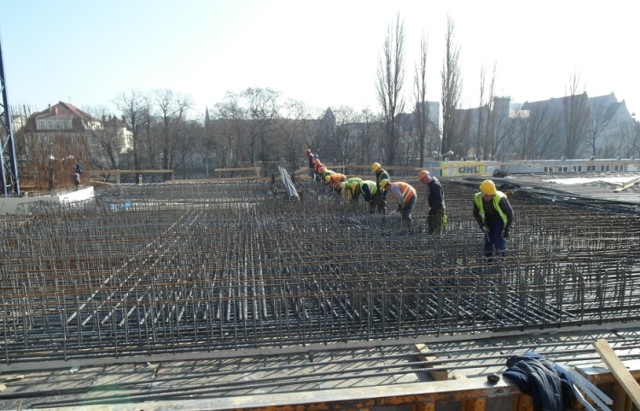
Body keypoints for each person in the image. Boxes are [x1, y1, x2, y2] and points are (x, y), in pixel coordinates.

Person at [473, 179, 514, 264]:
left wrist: (507, 229)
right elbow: (475, 213)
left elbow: (510, 213)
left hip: (499, 221)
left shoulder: (500, 198)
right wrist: (482, 225)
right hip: (487, 222)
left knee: (498, 241)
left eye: (490, 195)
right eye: (486, 195)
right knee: (488, 242)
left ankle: (500, 261)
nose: (488, 197)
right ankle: (489, 261)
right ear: (482, 192)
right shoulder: (477, 198)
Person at [418, 170, 446, 234]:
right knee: (430, 223)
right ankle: (431, 240)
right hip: (434, 208)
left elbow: (439, 199)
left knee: (436, 227)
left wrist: (432, 210)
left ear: (425, 178)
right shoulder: (432, 184)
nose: (423, 183)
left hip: (438, 209)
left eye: (422, 181)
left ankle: (436, 241)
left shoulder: (435, 185)